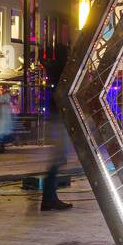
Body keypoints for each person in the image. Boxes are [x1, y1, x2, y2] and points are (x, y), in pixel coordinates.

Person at [40, 44, 72, 211]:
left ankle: (50, 197)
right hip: (59, 117)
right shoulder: (63, 73)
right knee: (58, 159)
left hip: (55, 117)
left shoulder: (53, 71)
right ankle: (49, 198)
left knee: (57, 159)